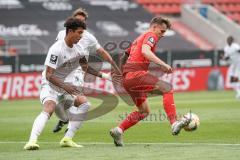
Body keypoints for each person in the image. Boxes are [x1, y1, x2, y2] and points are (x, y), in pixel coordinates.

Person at [110, 16, 190, 147]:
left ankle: (119, 130)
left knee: (144, 111)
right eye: (162, 31)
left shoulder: (138, 39)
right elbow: (145, 51)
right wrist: (163, 64)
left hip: (128, 79)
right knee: (167, 88)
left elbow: (125, 55)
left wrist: (118, 73)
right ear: (154, 27)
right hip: (137, 74)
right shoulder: (150, 35)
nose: (163, 35)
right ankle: (174, 123)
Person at [52, 8, 121, 133]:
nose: (80, 22)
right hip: (63, 71)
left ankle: (69, 132)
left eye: (82, 21)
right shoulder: (62, 34)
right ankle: (64, 119)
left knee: (76, 98)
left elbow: (102, 52)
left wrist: (113, 64)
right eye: (78, 20)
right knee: (64, 100)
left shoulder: (89, 38)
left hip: (78, 70)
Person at [24, 17, 87, 150]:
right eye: (79, 33)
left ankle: (67, 139)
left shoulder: (79, 48)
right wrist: (65, 86)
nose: (82, 36)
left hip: (66, 84)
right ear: (70, 31)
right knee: (49, 108)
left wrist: (105, 75)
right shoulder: (56, 49)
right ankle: (31, 141)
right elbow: (49, 75)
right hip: (50, 83)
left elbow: (85, 67)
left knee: (84, 103)